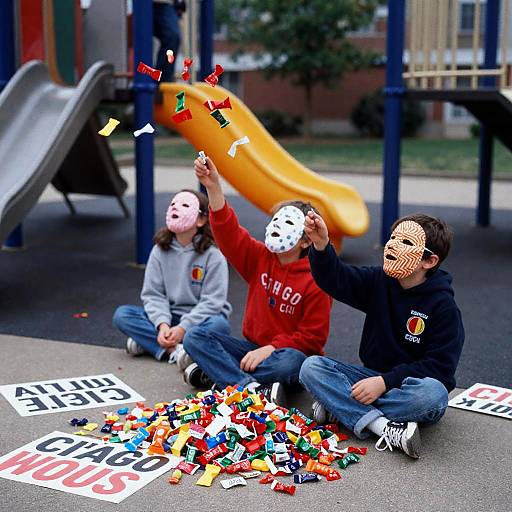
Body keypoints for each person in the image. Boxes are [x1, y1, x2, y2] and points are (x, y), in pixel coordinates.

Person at [299, 212, 464, 459]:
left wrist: (385, 383)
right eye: (393, 238)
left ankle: (341, 406)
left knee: (433, 395)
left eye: (406, 243)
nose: (393, 246)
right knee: (311, 367)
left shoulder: (444, 307)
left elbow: (440, 369)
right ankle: (382, 426)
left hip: (407, 387)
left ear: (428, 261)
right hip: (369, 376)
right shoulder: (380, 280)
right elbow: (337, 279)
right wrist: (322, 244)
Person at [182, 156, 332, 405]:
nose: (277, 229)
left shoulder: (317, 279)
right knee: (195, 336)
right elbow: (229, 233)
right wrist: (213, 186)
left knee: (291, 364)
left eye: (288, 225)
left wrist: (271, 348)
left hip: (284, 355)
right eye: (276, 221)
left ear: (305, 241)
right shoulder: (261, 257)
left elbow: (312, 338)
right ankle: (248, 387)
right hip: (250, 349)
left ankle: (221, 377)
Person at [113, 189, 232, 364]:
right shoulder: (159, 250)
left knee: (220, 326)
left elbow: (213, 302)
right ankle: (174, 349)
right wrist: (163, 326)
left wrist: (183, 328)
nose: (176, 209)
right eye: (173, 205)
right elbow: (153, 294)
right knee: (122, 315)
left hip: (201, 320)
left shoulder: (213, 255)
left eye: (184, 205)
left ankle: (149, 342)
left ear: (201, 220)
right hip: (168, 316)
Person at [153, 0, 186, 82]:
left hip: (166, 4)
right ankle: (162, 80)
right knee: (172, 36)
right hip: (151, 5)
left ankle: (163, 80)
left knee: (173, 37)